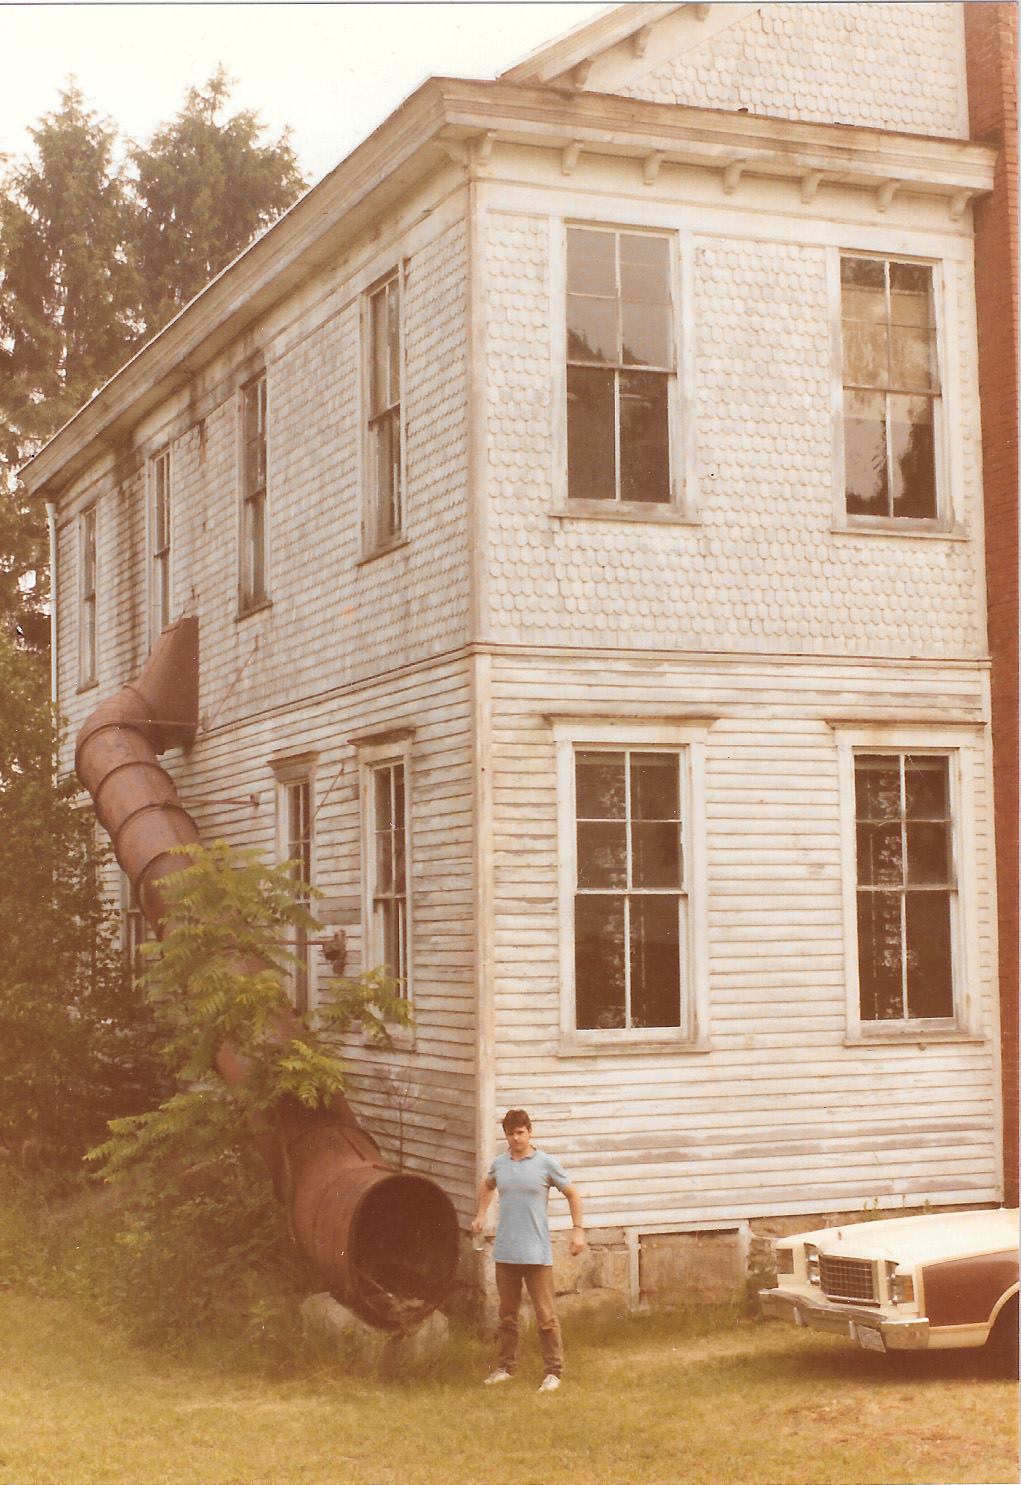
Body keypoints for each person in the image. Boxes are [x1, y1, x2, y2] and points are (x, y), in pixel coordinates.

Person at [471, 1108, 585, 1393]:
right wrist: (481, 1214)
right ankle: (506, 1367)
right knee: (507, 1316)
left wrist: (578, 1229)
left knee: (546, 1316)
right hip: (506, 1252)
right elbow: (487, 1186)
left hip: (536, 1253)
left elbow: (572, 1193)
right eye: (510, 1134)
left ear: (530, 1132)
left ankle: (553, 1373)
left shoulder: (545, 1163)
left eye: (520, 1133)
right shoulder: (500, 1164)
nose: (516, 1138)